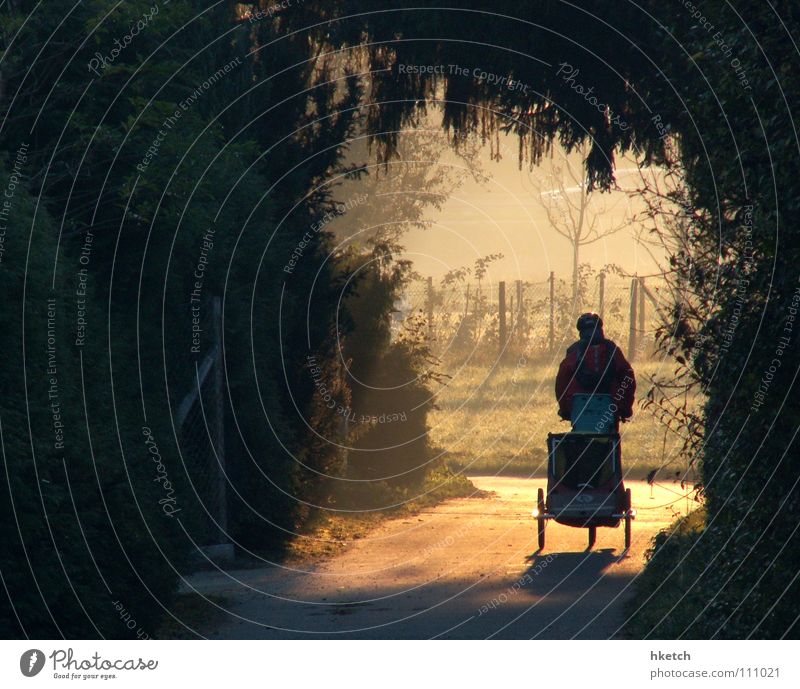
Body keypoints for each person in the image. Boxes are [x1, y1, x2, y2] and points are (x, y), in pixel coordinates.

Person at [555, 312, 636, 425]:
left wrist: (565, 409)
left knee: (579, 435)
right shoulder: (612, 350)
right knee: (612, 438)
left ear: (581, 332)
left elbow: (561, 383)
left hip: (580, 410)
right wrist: (626, 408)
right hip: (611, 408)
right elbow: (628, 379)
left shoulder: (573, 352)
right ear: (600, 329)